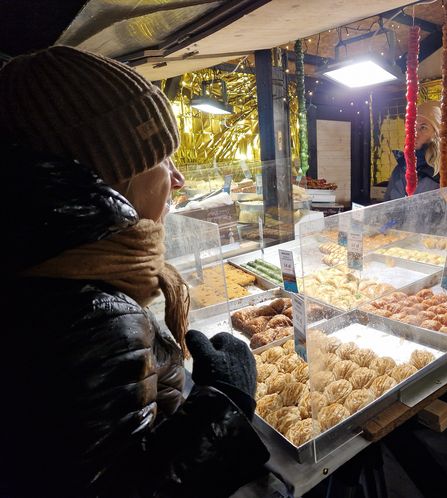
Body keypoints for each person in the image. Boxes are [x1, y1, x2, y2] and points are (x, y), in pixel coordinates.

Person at [1, 46, 268, 497]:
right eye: (162, 159)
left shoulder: (45, 269)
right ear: (110, 176)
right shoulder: (89, 315)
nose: (178, 179)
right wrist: (226, 401)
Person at [384, 100, 447, 201]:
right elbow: (387, 210)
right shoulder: (401, 170)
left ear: (437, 134)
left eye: (423, 127)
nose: (415, 134)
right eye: (413, 128)